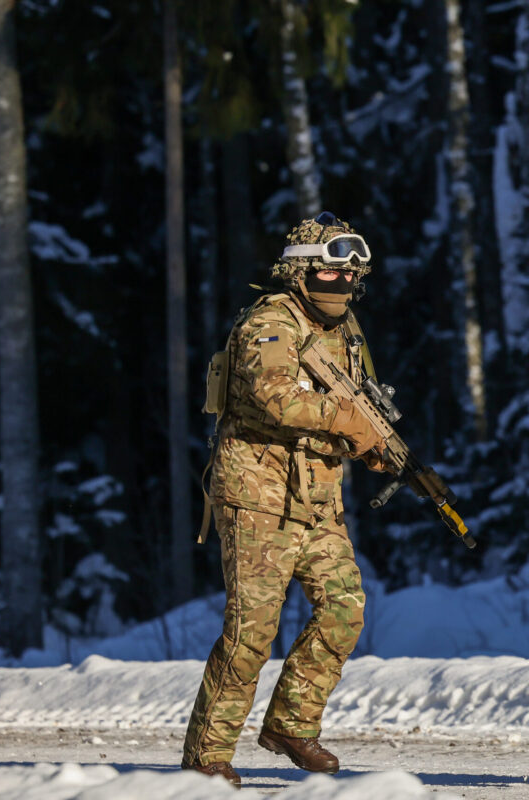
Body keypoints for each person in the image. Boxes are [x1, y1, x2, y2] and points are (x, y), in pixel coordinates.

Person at [181, 212, 388, 787]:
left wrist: (369, 444)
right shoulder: (269, 322)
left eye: (353, 277)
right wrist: (348, 422)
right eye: (332, 274)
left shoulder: (344, 333)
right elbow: (275, 397)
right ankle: (207, 758)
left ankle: (291, 723)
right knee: (252, 629)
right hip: (258, 496)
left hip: (317, 497)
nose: (344, 286)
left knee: (345, 610)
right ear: (300, 273)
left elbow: (349, 407)